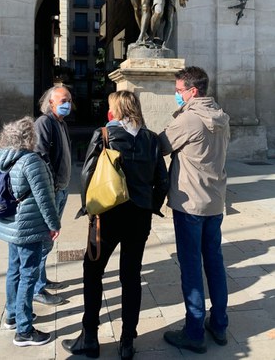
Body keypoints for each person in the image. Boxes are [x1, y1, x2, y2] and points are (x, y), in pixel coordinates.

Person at [62, 90, 169, 359]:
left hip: (107, 214)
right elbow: (163, 181)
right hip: (140, 215)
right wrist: (151, 205)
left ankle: (90, 336)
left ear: (115, 110)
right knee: (131, 276)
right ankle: (127, 341)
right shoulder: (152, 139)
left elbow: (87, 174)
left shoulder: (104, 135)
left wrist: (89, 208)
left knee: (93, 270)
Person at [159, 66, 230, 354]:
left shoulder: (189, 119)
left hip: (190, 205)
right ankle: (220, 324)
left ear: (193, 91)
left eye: (179, 91)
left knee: (191, 267)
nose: (176, 95)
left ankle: (194, 331)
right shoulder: (221, 117)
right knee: (214, 263)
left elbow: (161, 146)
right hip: (214, 202)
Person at [0, 116, 61, 347]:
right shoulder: (31, 161)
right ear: (29, 137)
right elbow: (44, 198)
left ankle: (13, 315)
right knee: (28, 274)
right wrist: (54, 224)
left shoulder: (5, 158)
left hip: (11, 224)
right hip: (28, 226)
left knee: (14, 270)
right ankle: (24, 330)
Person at [32, 85, 72, 305]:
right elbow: (40, 156)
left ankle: (42, 279)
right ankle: (37, 288)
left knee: (50, 238)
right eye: (64, 100)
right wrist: (53, 185)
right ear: (51, 103)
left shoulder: (60, 123)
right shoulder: (44, 123)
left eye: (69, 100)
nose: (68, 104)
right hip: (53, 190)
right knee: (45, 239)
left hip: (62, 189)